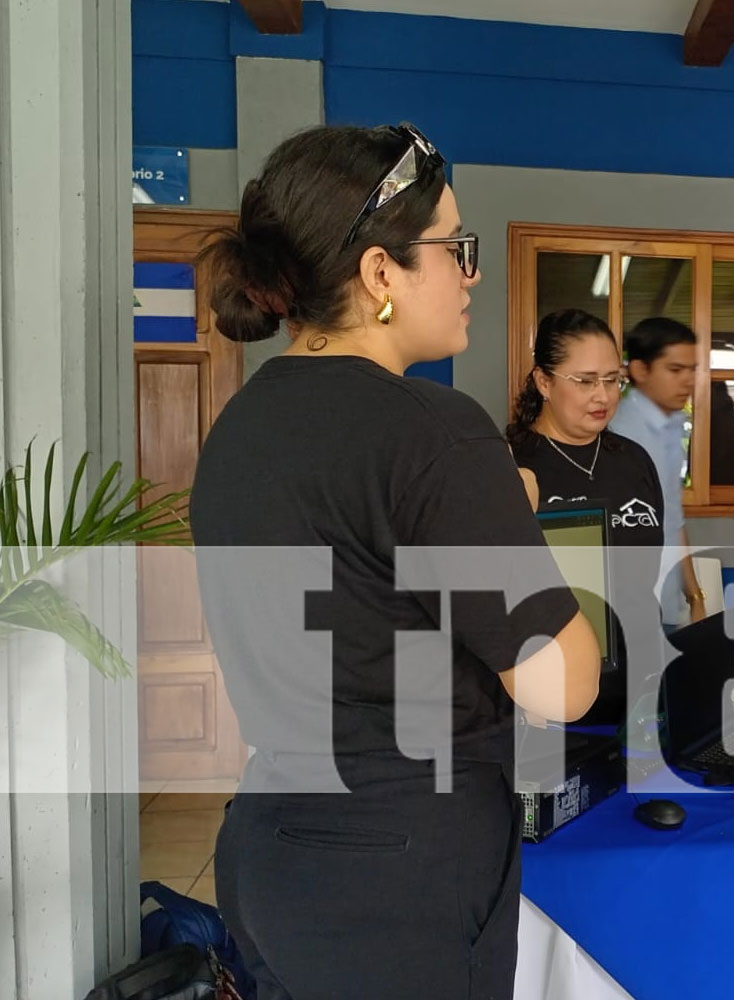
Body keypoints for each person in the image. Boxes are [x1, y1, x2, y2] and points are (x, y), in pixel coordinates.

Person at [191, 124, 600, 999]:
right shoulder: (432, 431)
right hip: (399, 871)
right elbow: (562, 683)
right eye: (454, 248)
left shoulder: (239, 427)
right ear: (381, 273)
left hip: (269, 846)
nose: (470, 273)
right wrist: (511, 521)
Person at [507, 308, 666, 726]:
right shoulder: (509, 465)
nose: (604, 395)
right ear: (544, 381)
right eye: (585, 381)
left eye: (613, 380)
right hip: (555, 692)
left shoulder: (634, 461)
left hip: (641, 687)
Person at [610, 316, 707, 627]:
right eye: (676, 370)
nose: (689, 381)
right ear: (640, 370)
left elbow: (672, 519)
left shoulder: (671, 426)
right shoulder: (621, 435)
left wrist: (694, 597)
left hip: (663, 601)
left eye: (692, 370)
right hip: (629, 611)